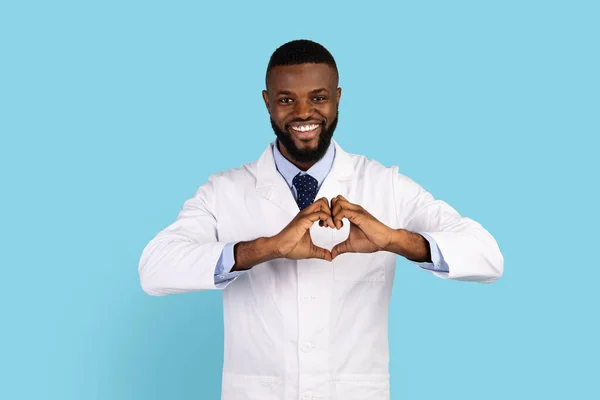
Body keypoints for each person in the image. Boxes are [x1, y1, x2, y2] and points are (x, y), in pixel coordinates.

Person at [138, 39, 503, 400]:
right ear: (267, 101)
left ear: (338, 97)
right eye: (285, 100)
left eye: (318, 97)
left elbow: (488, 257)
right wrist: (264, 249)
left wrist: (395, 240)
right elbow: (154, 269)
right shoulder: (223, 191)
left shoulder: (386, 185)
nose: (303, 113)